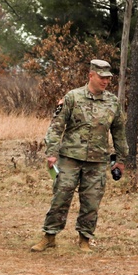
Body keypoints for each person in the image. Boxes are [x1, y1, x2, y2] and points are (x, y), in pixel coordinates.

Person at [31, 59, 127, 252]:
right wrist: (51, 153)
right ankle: (49, 236)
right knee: (61, 197)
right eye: (101, 77)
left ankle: (84, 239)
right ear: (91, 75)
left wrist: (121, 159)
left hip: (97, 160)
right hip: (69, 158)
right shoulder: (72, 97)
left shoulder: (112, 102)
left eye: (108, 78)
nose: (105, 81)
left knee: (91, 202)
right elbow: (56, 127)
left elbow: (119, 132)